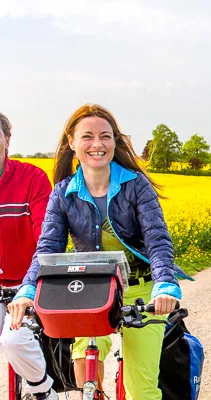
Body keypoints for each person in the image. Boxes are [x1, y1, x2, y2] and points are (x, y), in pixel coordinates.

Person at [4, 104, 190, 400]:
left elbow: (157, 239)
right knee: (84, 367)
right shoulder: (63, 192)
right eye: (87, 136)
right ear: (72, 142)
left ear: (115, 142)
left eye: (105, 137)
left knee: (141, 389)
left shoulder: (135, 185)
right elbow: (48, 247)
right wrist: (27, 291)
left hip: (140, 290)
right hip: (91, 290)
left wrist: (165, 284)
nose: (97, 144)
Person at [0, 112, 55, 399]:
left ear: (7, 141)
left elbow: (45, 239)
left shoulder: (31, 178)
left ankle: (44, 392)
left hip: (28, 286)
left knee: (15, 339)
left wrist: (29, 283)